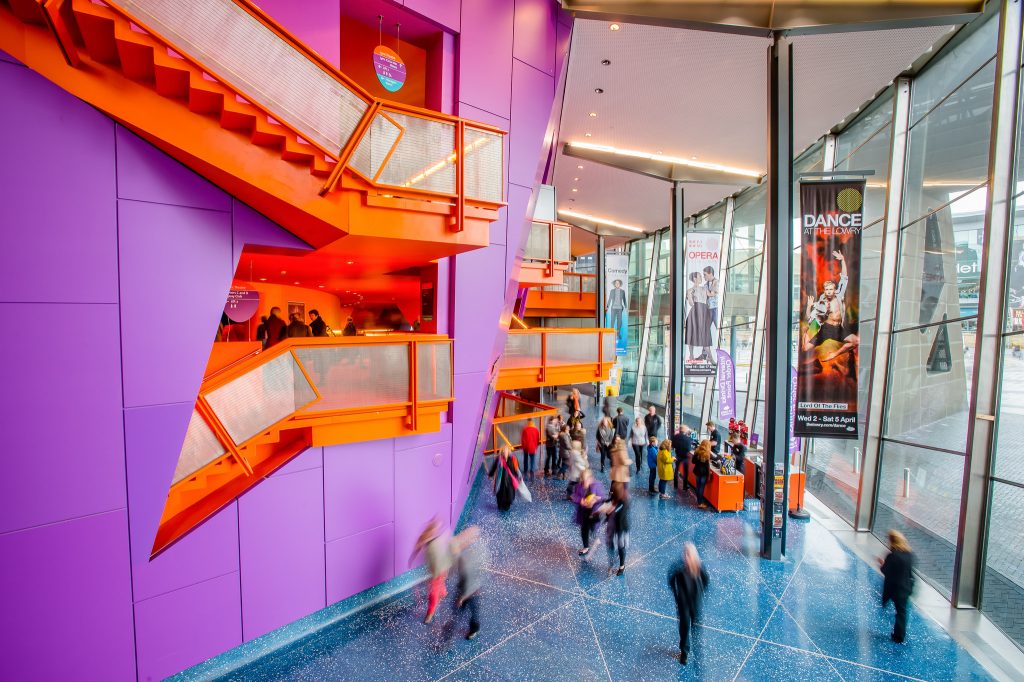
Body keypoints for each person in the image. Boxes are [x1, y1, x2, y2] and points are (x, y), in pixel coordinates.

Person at [802, 250, 859, 366]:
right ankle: (805, 335)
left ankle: (834, 354)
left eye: (830, 289)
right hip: (826, 329)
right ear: (825, 290)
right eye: (826, 290)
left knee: (856, 341)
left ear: (834, 290)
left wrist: (842, 260)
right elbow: (809, 317)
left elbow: (844, 278)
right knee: (805, 348)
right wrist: (809, 306)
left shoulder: (839, 295)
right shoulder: (821, 303)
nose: (828, 292)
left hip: (838, 329)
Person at [668, 542, 709, 665]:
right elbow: (671, 581)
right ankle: (684, 652)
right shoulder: (678, 568)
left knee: (696, 627)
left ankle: (696, 648)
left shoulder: (699, 567)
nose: (686, 557)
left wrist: (701, 593)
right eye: (685, 554)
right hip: (683, 604)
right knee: (684, 628)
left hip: (695, 603)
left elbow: (706, 580)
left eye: (689, 555)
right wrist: (676, 597)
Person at [410, 517, 451, 624]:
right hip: (434, 566)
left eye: (437, 528)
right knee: (438, 583)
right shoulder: (424, 536)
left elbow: (445, 552)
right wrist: (412, 558)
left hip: (440, 566)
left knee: (433, 593)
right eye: (432, 528)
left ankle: (430, 613)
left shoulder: (441, 537)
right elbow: (418, 546)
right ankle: (443, 592)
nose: (434, 531)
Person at [880, 530, 915, 644]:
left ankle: (898, 635)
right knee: (902, 611)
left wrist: (882, 563)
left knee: (899, 611)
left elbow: (885, 570)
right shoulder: (909, 554)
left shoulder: (893, 555)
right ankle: (899, 634)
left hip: (895, 588)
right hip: (906, 587)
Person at [453, 526, 487, 640]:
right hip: (465, 587)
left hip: (472, 590)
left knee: (473, 612)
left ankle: (474, 629)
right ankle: (452, 630)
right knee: (459, 611)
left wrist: (462, 597)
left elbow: (471, 579)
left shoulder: (475, 554)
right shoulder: (471, 550)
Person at [573, 467, 604, 557]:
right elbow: (575, 497)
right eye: (584, 479)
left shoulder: (597, 485)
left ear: (591, 478)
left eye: (587, 479)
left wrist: (597, 499)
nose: (585, 481)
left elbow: (602, 497)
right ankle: (586, 547)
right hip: (584, 512)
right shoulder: (579, 486)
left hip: (594, 512)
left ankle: (595, 539)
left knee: (592, 528)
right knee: (584, 529)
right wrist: (581, 501)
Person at [601, 481, 630, 576]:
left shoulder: (624, 501)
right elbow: (608, 502)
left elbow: (619, 512)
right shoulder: (614, 498)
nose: (612, 493)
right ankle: (611, 564)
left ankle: (622, 566)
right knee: (610, 547)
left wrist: (611, 510)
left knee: (621, 547)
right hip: (612, 528)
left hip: (621, 529)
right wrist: (604, 505)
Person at [684, 272, 713, 363]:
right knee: (692, 333)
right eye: (700, 276)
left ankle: (710, 356)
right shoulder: (690, 290)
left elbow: (711, 295)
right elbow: (691, 303)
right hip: (695, 312)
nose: (701, 278)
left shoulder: (704, 288)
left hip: (704, 311)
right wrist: (689, 294)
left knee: (704, 334)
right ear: (695, 278)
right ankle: (691, 355)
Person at [487, 446, 520, 512]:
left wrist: (518, 476)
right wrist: (490, 474)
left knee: (509, 495)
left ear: (509, 452)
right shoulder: (499, 459)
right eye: (504, 451)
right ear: (502, 452)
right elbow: (494, 467)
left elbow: (516, 469)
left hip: (510, 481)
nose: (505, 452)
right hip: (500, 480)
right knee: (500, 494)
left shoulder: (513, 459)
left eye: (506, 451)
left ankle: (507, 505)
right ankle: (500, 505)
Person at [672, 425, 695, 492]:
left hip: (678, 455)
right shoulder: (688, 439)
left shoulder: (675, 437)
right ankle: (685, 486)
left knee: (676, 470)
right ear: (685, 430)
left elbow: (673, 445)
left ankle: (675, 485)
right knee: (685, 472)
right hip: (685, 457)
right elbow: (689, 449)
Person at [692, 440, 712, 509]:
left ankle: (698, 501)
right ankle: (700, 503)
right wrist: (708, 474)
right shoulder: (707, 454)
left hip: (697, 471)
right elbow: (707, 467)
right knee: (701, 488)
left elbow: (693, 461)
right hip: (703, 473)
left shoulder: (697, 451)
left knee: (698, 486)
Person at [703, 265, 719, 333]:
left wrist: (706, 291)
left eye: (705, 275)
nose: (704, 277)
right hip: (708, 309)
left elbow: (711, 294)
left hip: (715, 308)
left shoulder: (717, 282)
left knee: (718, 327)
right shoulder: (705, 285)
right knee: (705, 329)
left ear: (710, 274)